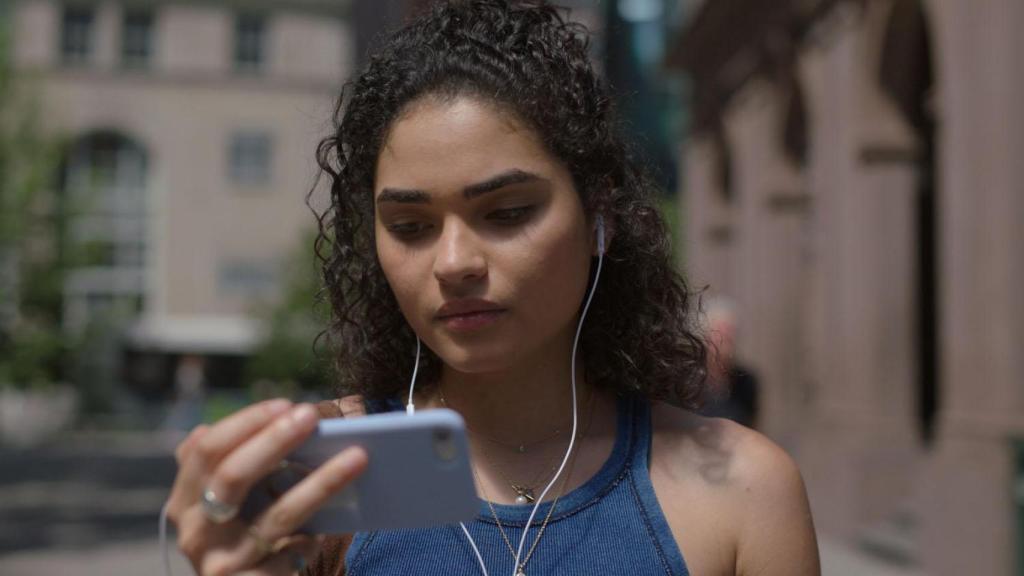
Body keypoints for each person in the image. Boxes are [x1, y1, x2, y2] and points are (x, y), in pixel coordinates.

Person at [163, 1, 820, 575]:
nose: (453, 261)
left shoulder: (742, 490)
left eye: (507, 213)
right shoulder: (321, 476)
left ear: (600, 219)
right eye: (410, 225)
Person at [698, 298, 761, 429]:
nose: (727, 338)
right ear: (705, 336)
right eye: (720, 332)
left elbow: (753, 426)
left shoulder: (745, 382)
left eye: (731, 332)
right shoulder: (687, 382)